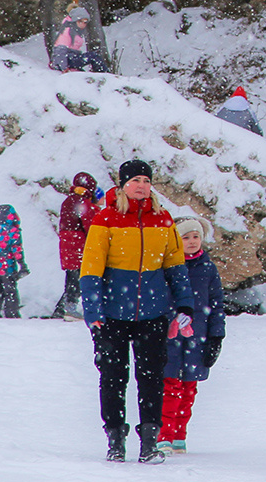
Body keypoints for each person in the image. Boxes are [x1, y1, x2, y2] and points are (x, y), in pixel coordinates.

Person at [81, 159, 198, 464]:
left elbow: (175, 265)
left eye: (146, 180)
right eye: (135, 181)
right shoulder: (105, 219)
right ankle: (116, 438)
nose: (141, 186)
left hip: (153, 313)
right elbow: (91, 267)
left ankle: (149, 440)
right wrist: (93, 311)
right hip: (112, 314)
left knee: (151, 378)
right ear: (122, 186)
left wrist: (185, 304)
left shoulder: (163, 219)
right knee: (113, 377)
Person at [156, 217, 226, 457]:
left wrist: (217, 336)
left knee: (189, 388)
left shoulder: (207, 267)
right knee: (170, 385)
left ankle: (179, 435)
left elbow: (216, 304)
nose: (192, 241)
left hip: (199, 336)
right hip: (171, 336)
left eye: (195, 236)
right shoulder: (168, 266)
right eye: (186, 237)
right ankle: (164, 434)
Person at [54, 173, 100, 318]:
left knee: (71, 276)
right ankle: (69, 308)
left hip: (67, 244)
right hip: (78, 244)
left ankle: (62, 309)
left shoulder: (68, 201)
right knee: (78, 278)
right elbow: (90, 225)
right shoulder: (83, 203)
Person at [0, 204, 27, 317]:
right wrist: (22, 264)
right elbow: (16, 249)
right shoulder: (13, 232)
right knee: (10, 290)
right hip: (8, 267)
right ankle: (12, 313)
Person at [51, 4, 101, 72]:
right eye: (80, 21)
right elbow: (60, 51)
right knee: (93, 56)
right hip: (68, 59)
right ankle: (104, 74)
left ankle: (100, 73)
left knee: (93, 56)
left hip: (71, 59)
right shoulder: (67, 31)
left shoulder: (75, 31)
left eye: (85, 22)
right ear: (74, 20)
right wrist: (64, 68)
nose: (82, 24)